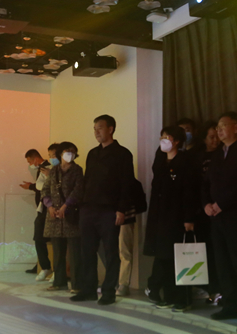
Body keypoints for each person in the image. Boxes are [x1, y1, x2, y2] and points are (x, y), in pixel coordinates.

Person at [72, 114, 136, 306]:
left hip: (110, 210)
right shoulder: (92, 153)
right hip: (88, 208)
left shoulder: (123, 154)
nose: (96, 132)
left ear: (110, 129)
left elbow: (127, 184)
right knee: (87, 251)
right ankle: (89, 290)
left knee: (110, 252)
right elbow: (87, 181)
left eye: (99, 128)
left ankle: (109, 292)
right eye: (94, 129)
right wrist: (82, 206)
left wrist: (121, 209)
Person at [203, 112, 237, 323]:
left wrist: (221, 204)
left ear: (236, 128)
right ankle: (229, 305)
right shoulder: (217, 154)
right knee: (223, 263)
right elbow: (206, 183)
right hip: (216, 218)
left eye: (224, 125)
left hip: (235, 215)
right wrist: (206, 204)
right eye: (218, 126)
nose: (219, 130)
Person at [144, 126, 198, 312]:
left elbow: (189, 191)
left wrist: (189, 217)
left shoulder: (185, 161)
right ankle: (168, 296)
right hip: (160, 216)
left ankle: (183, 298)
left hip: (177, 216)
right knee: (164, 258)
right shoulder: (160, 160)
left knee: (180, 259)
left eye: (167, 138)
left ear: (176, 141)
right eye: (162, 137)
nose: (163, 141)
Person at [42, 142, 84, 292]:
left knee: (74, 253)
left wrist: (65, 206)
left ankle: (77, 284)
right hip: (54, 217)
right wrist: (50, 206)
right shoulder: (54, 171)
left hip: (70, 215)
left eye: (73, 152)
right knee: (58, 252)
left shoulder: (77, 170)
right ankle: (59, 282)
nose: (70, 154)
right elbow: (45, 190)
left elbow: (78, 191)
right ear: (61, 153)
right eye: (67, 151)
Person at [191, 121, 222, 304]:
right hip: (201, 210)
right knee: (205, 251)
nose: (215, 140)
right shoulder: (197, 157)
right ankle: (207, 288)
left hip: (221, 209)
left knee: (219, 252)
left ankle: (219, 289)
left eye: (217, 136)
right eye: (211, 137)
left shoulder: (224, 153)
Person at [21, 149, 51, 278]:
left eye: (29, 161)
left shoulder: (48, 168)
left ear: (35, 158)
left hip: (47, 208)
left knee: (40, 238)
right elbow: (40, 186)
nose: (30, 165)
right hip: (42, 208)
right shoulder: (43, 169)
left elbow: (44, 187)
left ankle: (45, 266)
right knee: (39, 238)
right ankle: (42, 264)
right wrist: (32, 186)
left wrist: (31, 187)